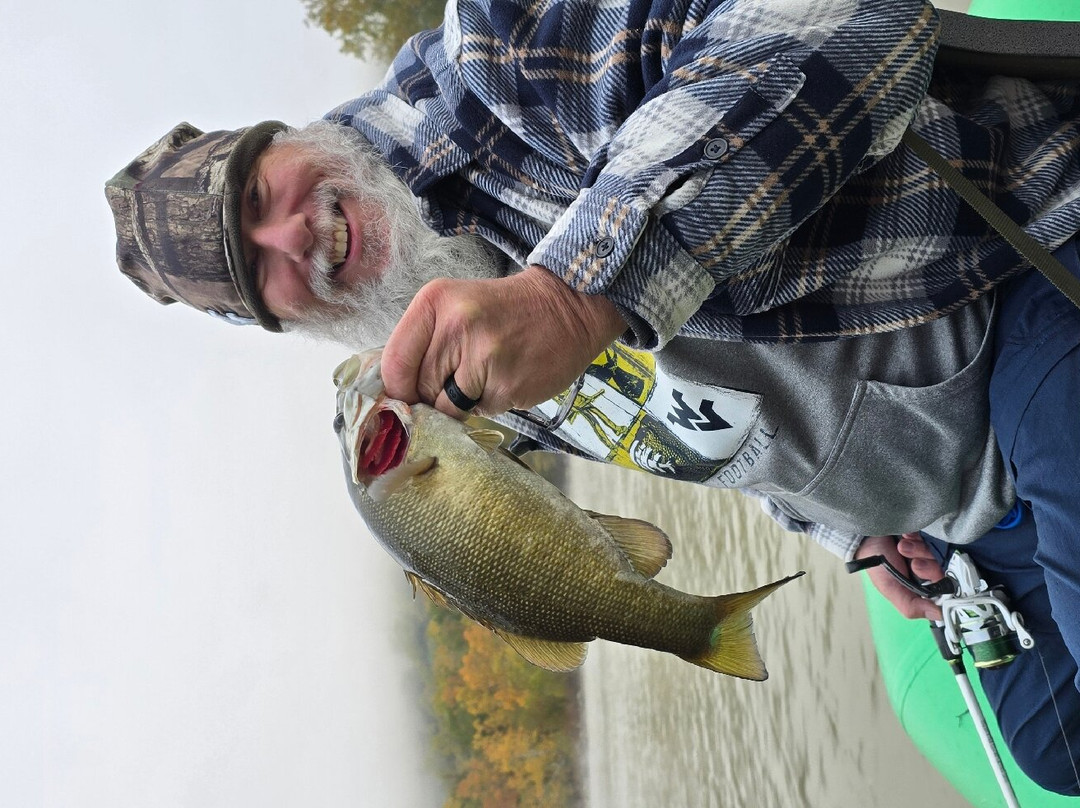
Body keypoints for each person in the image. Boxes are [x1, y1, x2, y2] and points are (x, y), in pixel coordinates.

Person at [105, 0, 1080, 792]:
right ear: (275, 324)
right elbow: (723, 433)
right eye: (251, 271)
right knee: (1050, 747)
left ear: (281, 138)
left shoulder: (499, 56)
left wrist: (579, 290)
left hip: (1023, 287)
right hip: (964, 508)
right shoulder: (442, 377)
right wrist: (851, 538)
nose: (291, 236)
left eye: (252, 194)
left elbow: (851, 22)